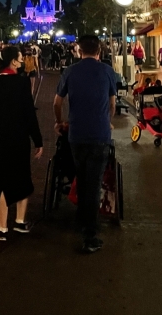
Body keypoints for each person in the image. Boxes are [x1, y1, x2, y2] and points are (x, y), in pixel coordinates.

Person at [53, 35, 116, 253]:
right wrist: (107, 121)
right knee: (94, 182)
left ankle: (82, 218)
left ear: (79, 51)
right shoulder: (107, 71)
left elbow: (57, 102)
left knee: (81, 177)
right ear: (99, 51)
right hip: (99, 134)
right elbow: (112, 103)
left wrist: (60, 122)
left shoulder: (70, 71)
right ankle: (90, 233)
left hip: (77, 134)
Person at [0, 45, 43, 240]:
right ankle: (20, 220)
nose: (22, 60)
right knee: (21, 175)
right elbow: (29, 114)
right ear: (14, 62)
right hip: (18, 137)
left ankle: (2, 227)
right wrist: (38, 140)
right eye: (20, 58)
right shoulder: (22, 83)